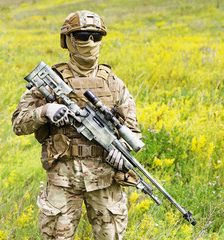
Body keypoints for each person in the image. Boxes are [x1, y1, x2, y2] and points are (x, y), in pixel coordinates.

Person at [12, 10, 141, 240]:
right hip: (63, 180)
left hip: (105, 181)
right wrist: (45, 111)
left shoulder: (114, 84)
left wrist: (122, 151)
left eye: (96, 37)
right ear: (68, 40)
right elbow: (18, 124)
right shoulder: (51, 82)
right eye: (82, 36)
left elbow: (132, 132)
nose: (90, 42)